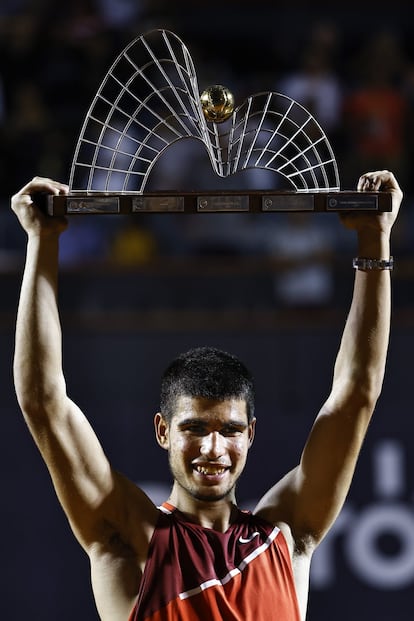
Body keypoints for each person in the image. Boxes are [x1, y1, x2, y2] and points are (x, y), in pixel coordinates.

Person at [12, 170, 402, 621]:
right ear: (163, 431)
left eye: (230, 430)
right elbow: (43, 400)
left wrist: (375, 238)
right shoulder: (129, 536)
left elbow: (356, 394)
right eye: (195, 428)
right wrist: (42, 242)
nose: (213, 448)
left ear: (251, 434)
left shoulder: (286, 535)